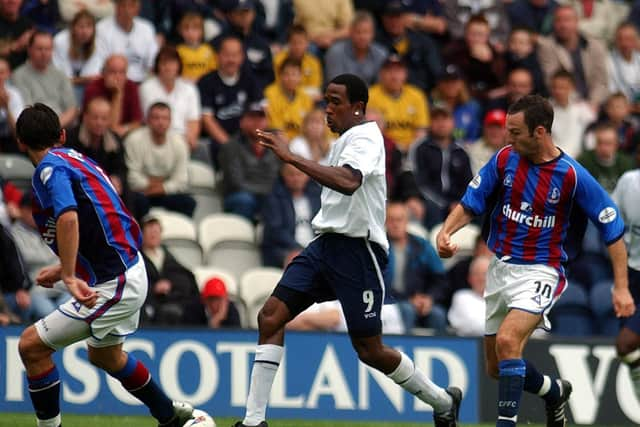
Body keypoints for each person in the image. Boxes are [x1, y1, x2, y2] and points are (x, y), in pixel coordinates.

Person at [233, 73, 461, 427]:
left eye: (336, 102)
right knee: (271, 316)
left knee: (369, 349)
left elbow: (349, 182)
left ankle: (442, 400)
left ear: (358, 107)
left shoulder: (366, 137)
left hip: (359, 252)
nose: (328, 109)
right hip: (325, 246)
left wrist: (292, 159)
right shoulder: (345, 139)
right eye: (326, 100)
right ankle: (253, 421)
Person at [436, 94, 635, 427]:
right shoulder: (504, 160)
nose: (508, 139)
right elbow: (472, 201)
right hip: (500, 268)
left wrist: (622, 287)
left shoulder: (572, 176)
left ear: (540, 132)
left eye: (515, 132)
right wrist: (446, 232)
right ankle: (554, 393)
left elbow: (612, 228)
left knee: (508, 340)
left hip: (543, 270)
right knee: (497, 367)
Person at [15, 103, 194, 427]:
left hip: (116, 281)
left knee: (31, 346)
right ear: (62, 134)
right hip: (126, 268)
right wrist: (68, 266)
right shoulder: (77, 158)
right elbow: (100, 216)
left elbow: (69, 216)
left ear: (19, 142)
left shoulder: (49, 169)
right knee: (105, 355)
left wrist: (68, 274)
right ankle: (172, 417)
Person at [124, 102, 196, 218]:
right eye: (156, 118)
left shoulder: (179, 143)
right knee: (137, 201)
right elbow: (132, 178)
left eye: (165, 118)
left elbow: (181, 181)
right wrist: (162, 183)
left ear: (170, 121)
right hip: (141, 193)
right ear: (148, 120)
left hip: (165, 193)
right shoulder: (134, 140)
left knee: (188, 202)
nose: (160, 122)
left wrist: (160, 187)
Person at [386, 201, 448, 332]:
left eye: (399, 220)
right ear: (384, 222)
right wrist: (408, 300)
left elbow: (440, 279)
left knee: (438, 315)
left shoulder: (422, 246)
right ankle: (403, 351)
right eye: (391, 220)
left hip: (419, 301)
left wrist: (429, 298)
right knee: (407, 310)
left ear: (407, 222)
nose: (395, 224)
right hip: (389, 302)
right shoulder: (379, 248)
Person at [219, 101, 281, 221]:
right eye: (252, 118)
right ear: (242, 122)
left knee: (281, 199)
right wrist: (267, 193)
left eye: (261, 118)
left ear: (267, 122)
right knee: (244, 200)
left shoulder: (275, 146)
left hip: (268, 195)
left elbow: (281, 177)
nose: (257, 122)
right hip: (238, 195)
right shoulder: (231, 146)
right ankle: (240, 235)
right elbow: (236, 183)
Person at [139, 214, 201, 325]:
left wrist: (170, 284)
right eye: (149, 230)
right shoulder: (137, 258)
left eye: (156, 231)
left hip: (172, 301)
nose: (153, 234)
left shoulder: (167, 256)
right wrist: (154, 288)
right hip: (148, 305)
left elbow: (184, 277)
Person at [612, 167, 640, 402]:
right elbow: (613, 226)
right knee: (626, 348)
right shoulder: (628, 182)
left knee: (626, 344)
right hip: (631, 274)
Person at [11, 31, 78, 129]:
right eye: (39, 49)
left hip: (60, 127)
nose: (44, 53)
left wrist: (55, 128)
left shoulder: (60, 75)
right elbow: (27, 110)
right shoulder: (18, 76)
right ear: (29, 50)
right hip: (35, 129)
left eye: (48, 49)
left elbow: (72, 109)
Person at [261, 163, 321, 268]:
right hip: (285, 248)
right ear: (282, 175)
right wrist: (298, 248)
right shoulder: (274, 198)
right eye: (291, 174)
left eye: (299, 174)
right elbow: (275, 231)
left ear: (307, 175)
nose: (296, 178)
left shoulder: (317, 196)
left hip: (315, 248)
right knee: (297, 259)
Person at [94, 0, 158, 83]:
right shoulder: (101, 28)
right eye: (123, 5)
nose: (127, 10)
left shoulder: (147, 28)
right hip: (112, 82)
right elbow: (101, 64)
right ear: (116, 7)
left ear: (137, 9)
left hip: (142, 81)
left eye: (131, 6)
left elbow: (153, 62)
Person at [83, 54, 143, 138]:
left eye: (122, 72)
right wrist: (118, 94)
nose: (117, 77)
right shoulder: (93, 88)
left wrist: (124, 128)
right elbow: (109, 126)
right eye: (113, 72)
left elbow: (137, 122)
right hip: (96, 133)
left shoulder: (131, 86)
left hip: (123, 134)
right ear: (104, 72)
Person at [324, 11, 388, 85]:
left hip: (371, 95)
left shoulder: (381, 54)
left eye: (366, 32)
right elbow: (335, 85)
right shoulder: (335, 52)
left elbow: (381, 86)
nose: (362, 37)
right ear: (350, 32)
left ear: (373, 34)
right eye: (358, 32)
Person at [264, 57, 313, 141]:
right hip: (278, 139)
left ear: (300, 76)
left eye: (294, 74)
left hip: (301, 140)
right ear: (280, 76)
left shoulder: (306, 97)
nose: (290, 78)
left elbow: (308, 125)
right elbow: (272, 124)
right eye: (286, 74)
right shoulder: (270, 93)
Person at [447, 255, 491, 337]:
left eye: (485, 274)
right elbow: (474, 326)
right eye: (476, 274)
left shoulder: (501, 300)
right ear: (469, 278)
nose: (481, 278)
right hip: (465, 346)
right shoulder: (461, 297)